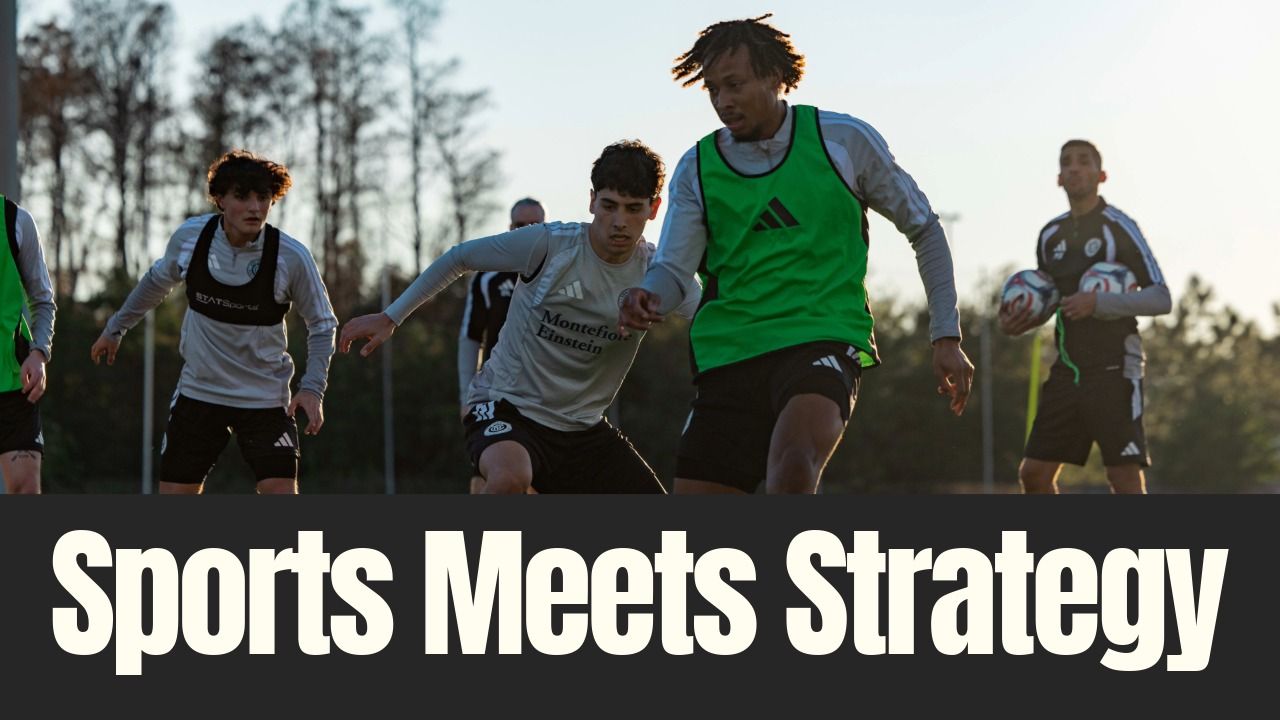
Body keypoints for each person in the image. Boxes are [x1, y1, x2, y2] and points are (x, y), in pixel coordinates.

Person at [618, 14, 973, 495]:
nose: (724, 101)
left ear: (773, 76)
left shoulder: (843, 141)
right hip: (731, 351)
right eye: (714, 90)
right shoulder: (697, 168)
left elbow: (926, 230)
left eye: (735, 84)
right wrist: (647, 296)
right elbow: (673, 272)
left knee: (792, 465)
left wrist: (945, 335)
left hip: (821, 337)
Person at [341, 141, 697, 494]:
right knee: (511, 476)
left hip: (583, 430)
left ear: (654, 208)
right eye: (609, 206)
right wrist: (391, 317)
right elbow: (459, 257)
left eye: (633, 209)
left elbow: (714, 316)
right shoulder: (548, 245)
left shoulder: (658, 273)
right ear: (591, 201)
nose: (619, 222)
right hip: (505, 408)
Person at [90, 150, 337, 494]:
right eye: (242, 196)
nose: (254, 207)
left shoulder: (291, 257)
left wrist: (312, 389)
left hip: (265, 397)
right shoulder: (192, 238)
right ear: (220, 199)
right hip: (200, 392)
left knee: (281, 494)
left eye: (263, 197)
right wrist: (115, 328)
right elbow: (154, 282)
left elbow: (323, 324)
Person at [1000, 139, 1170, 494]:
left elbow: (1161, 298)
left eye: (1084, 162)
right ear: (1059, 179)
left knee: (1122, 477)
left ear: (1101, 175)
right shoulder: (1050, 236)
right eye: (1067, 163)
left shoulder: (1120, 226)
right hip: (1068, 369)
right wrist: (1024, 320)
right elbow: (1053, 301)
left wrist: (1100, 303)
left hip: (1114, 368)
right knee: (1034, 474)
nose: (1074, 168)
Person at [459, 197, 545, 493]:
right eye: (520, 226)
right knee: (494, 480)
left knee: (540, 481)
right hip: (496, 396)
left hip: (545, 395)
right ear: (510, 228)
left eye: (535, 225)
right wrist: (465, 396)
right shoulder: (488, 277)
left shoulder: (560, 276)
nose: (527, 232)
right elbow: (471, 336)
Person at [0, 195, 56, 494]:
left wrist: (38, 353)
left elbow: (42, 301)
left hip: (13, 383)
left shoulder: (15, 221)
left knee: (25, 491)